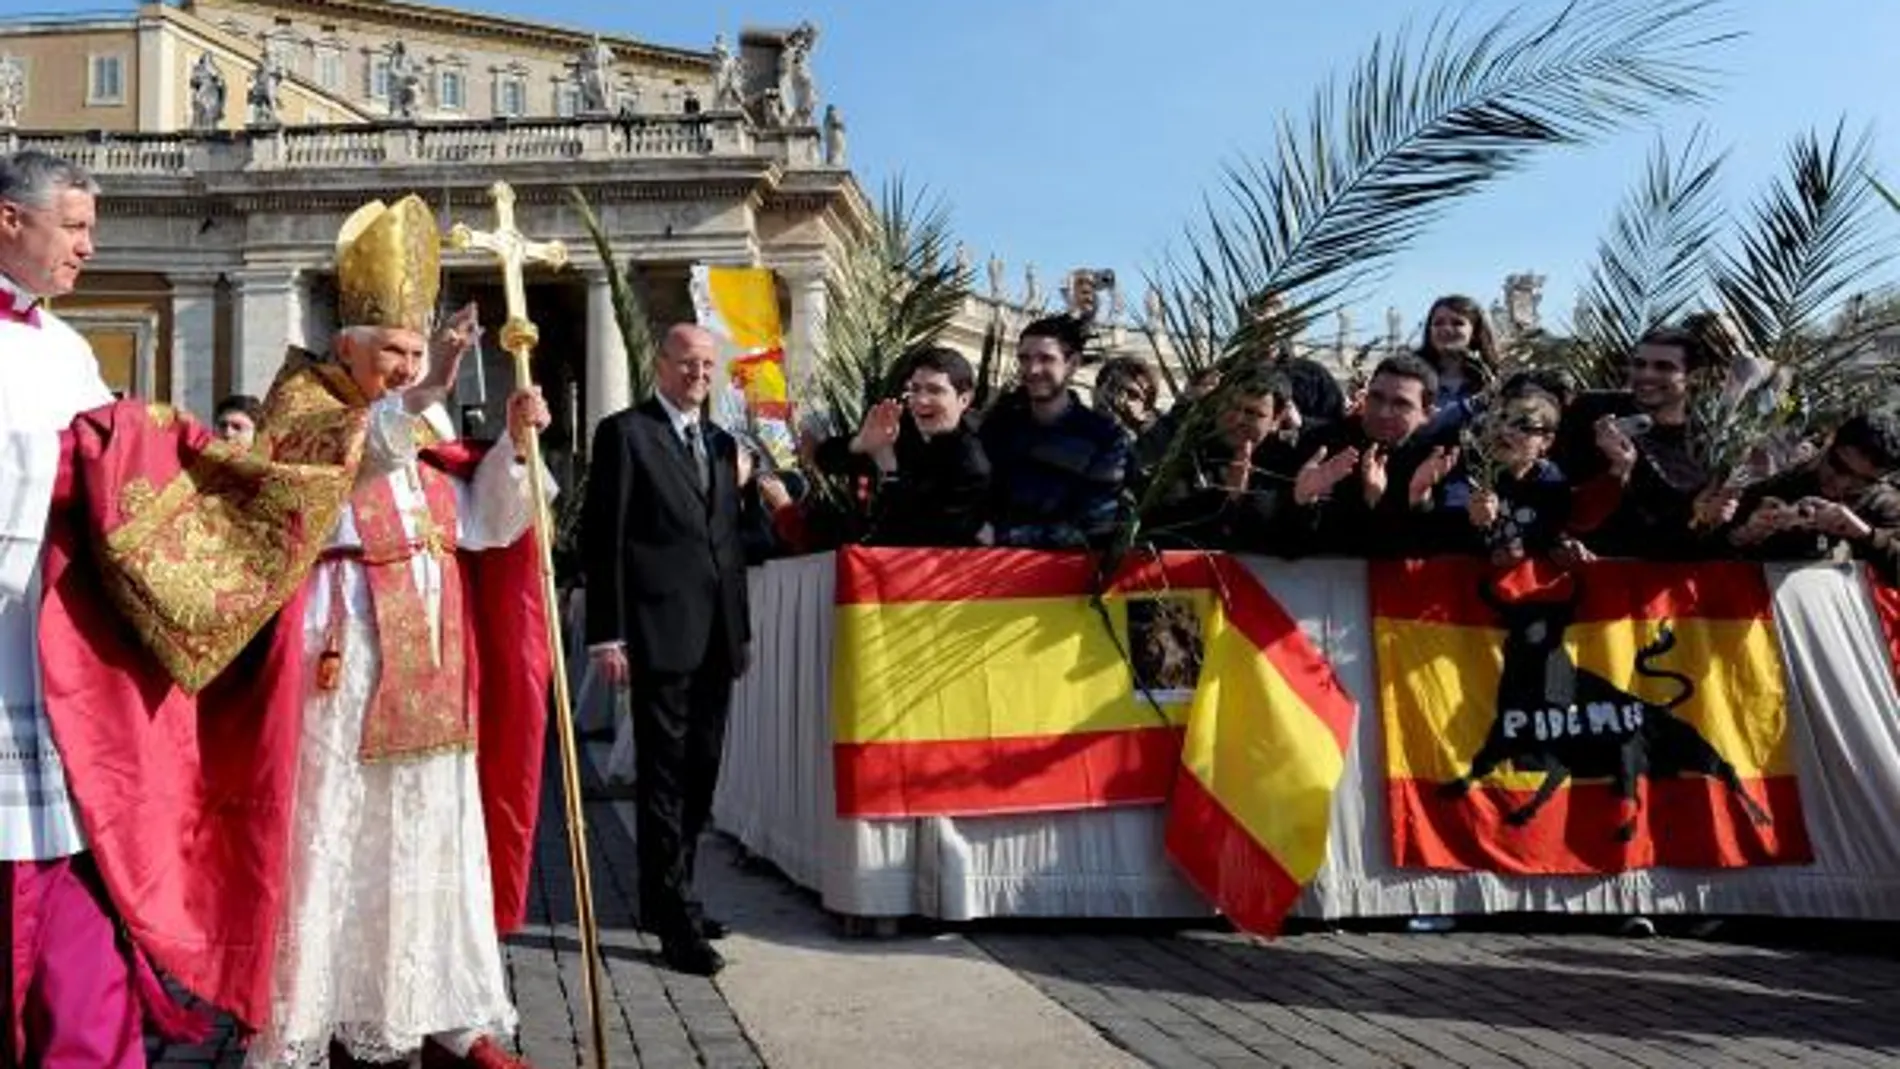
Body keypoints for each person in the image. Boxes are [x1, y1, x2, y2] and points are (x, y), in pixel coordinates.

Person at [36, 193, 556, 1069]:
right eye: (390, 351)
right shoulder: (303, 407)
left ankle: (443, 1008)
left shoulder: (421, 426)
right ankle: (305, 1019)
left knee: (430, 839)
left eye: (416, 352)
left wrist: (512, 450)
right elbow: (336, 472)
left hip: (433, 667)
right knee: (335, 845)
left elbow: (486, 523)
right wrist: (418, 399)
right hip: (339, 666)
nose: (404, 366)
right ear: (344, 347)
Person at [0, 149, 154, 1069]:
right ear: (9, 222)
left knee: (79, 947)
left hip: (57, 666)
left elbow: (120, 478)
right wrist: (60, 473)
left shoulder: (66, 347)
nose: (90, 249)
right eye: (75, 228)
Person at [583, 324, 751, 977]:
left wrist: (740, 630)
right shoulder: (625, 433)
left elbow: (729, 544)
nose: (698, 374)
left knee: (702, 769)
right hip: (655, 631)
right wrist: (607, 631)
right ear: (660, 364)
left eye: (708, 364)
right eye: (687, 362)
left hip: (716, 635)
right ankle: (677, 919)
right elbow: (606, 537)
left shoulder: (719, 441)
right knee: (662, 775)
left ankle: (667, 895)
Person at [1284, 354, 1461, 558]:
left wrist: (1417, 499)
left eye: (1401, 404)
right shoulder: (1319, 445)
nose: (1384, 412)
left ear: (1427, 414)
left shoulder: (1436, 461)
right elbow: (1283, 542)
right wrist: (1301, 500)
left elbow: (1424, 551)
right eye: (1376, 398)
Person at [814, 346, 991, 547]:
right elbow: (826, 459)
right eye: (915, 389)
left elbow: (917, 535)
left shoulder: (973, 462)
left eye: (935, 390)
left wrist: (890, 471)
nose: (921, 400)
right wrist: (860, 443)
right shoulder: (900, 427)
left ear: (964, 399)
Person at [979, 314, 1129, 548]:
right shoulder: (999, 425)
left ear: (1073, 364)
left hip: (1061, 576)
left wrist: (1005, 536)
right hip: (981, 568)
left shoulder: (1106, 438)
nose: (1032, 369)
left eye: (1046, 359)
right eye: (1024, 358)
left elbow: (1095, 528)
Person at [1722, 410, 1900, 584]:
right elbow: (1703, 536)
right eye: (1838, 466)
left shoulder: (1881, 500)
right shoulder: (1779, 466)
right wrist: (1742, 534)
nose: (1841, 483)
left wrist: (1867, 535)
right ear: (1830, 441)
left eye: (1863, 481)